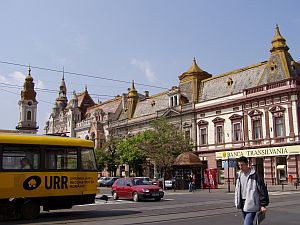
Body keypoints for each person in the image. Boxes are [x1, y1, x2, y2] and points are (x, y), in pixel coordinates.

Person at [235, 156, 269, 225]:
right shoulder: (239, 175)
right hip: (242, 202)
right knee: (248, 223)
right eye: (239, 165)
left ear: (247, 164)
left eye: (242, 165)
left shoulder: (255, 175)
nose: (240, 167)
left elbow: (262, 190)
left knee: (247, 223)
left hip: (252, 203)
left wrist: (263, 205)